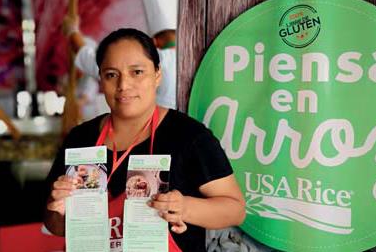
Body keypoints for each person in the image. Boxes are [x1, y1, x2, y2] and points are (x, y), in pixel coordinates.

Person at [44, 28, 245, 252]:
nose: (123, 85)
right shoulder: (81, 139)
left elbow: (235, 210)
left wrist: (185, 207)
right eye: (112, 74)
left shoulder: (189, 136)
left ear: (157, 75)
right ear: (101, 79)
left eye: (137, 72)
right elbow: (54, 225)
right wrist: (59, 211)